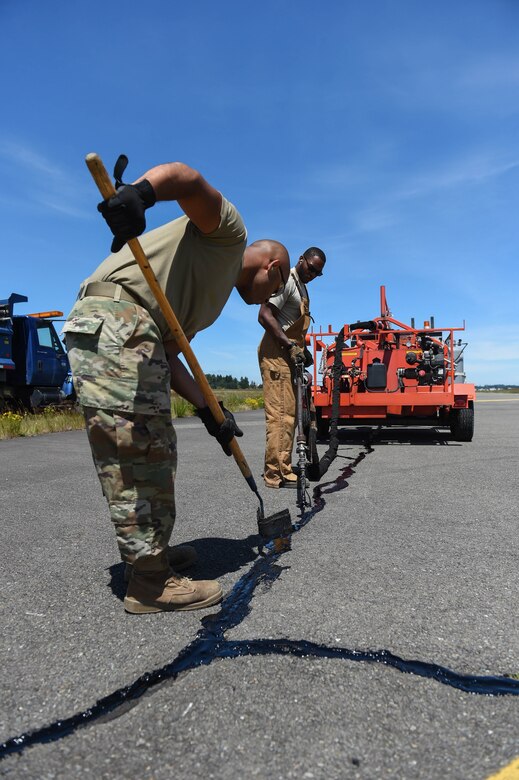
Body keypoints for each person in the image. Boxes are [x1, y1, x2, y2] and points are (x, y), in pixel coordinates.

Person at [63, 160, 290, 615]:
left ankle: (151, 555)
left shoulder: (212, 293)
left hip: (136, 332)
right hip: (118, 319)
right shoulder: (230, 236)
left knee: (154, 448)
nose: (266, 301)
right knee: (136, 451)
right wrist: (142, 194)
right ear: (274, 267)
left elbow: (170, 354)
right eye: (274, 290)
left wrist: (211, 412)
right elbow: (186, 178)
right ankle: (149, 583)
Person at [257, 247, 326, 489]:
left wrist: (302, 352)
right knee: (280, 416)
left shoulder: (302, 288)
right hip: (276, 355)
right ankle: (275, 474)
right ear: (301, 260)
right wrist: (289, 345)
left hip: (289, 355)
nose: (313, 274)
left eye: (318, 273)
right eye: (311, 268)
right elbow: (265, 315)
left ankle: (283, 466)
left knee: (290, 416)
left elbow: (290, 323)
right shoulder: (286, 281)